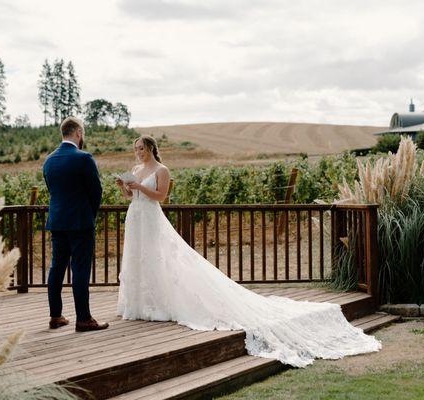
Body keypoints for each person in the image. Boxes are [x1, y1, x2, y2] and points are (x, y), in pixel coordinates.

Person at [115, 135, 380, 367]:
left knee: (159, 259)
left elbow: (161, 197)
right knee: (138, 259)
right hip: (135, 216)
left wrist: (140, 188)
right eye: (136, 149)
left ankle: (160, 305)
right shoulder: (136, 169)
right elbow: (132, 196)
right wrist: (126, 189)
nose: (138, 152)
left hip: (151, 217)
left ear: (151, 148)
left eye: (142, 148)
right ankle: (140, 305)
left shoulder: (162, 169)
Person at [43, 117, 108, 332]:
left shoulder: (49, 160)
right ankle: (83, 318)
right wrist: (90, 214)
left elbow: (52, 190)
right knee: (80, 269)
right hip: (80, 222)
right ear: (78, 132)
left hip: (57, 222)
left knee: (56, 267)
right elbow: (96, 191)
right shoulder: (83, 158)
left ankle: (56, 316)